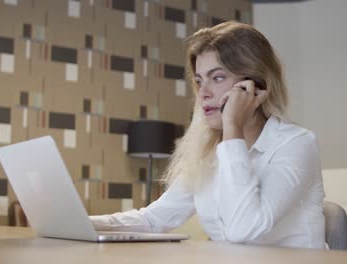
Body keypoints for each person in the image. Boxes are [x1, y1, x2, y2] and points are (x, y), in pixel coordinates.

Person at [90, 21, 325, 249]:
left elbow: (243, 230)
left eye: (218, 78)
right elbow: (153, 220)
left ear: (256, 84)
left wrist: (232, 126)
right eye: (200, 80)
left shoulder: (296, 144)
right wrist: (81, 223)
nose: (203, 93)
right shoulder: (208, 152)